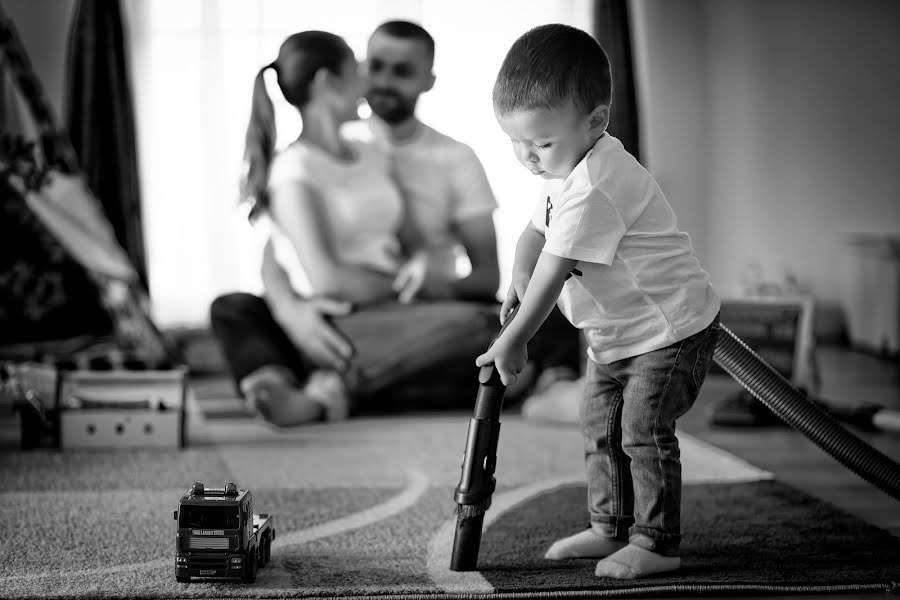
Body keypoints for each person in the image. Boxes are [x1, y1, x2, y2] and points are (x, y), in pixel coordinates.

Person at [212, 22, 581, 424]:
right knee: (236, 307)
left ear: (428, 80)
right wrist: (289, 308)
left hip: (420, 307)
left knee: (535, 312)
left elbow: (465, 266)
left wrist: (423, 273)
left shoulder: (409, 156)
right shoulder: (313, 157)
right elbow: (282, 248)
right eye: (371, 66)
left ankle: (330, 391)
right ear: (333, 80)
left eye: (401, 71)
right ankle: (526, 384)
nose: (378, 81)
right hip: (362, 306)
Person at [475, 24, 721, 579]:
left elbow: (556, 269)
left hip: (669, 329)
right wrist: (516, 273)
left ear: (596, 121)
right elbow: (535, 236)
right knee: (599, 425)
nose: (529, 157)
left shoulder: (597, 183)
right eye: (516, 143)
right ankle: (609, 527)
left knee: (641, 427)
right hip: (614, 332)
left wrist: (513, 341)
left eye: (540, 144)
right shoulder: (563, 168)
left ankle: (657, 542)